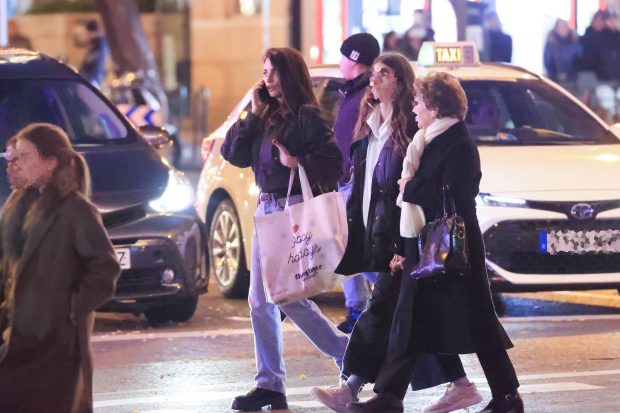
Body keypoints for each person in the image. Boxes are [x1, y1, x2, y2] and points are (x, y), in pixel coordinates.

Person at [348, 72, 522, 413]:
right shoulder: (425, 139)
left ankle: (507, 396)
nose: (413, 108)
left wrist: (408, 189)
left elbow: (458, 191)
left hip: (454, 250)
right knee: (413, 321)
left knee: (477, 324)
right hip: (425, 245)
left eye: (417, 102)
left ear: (435, 106)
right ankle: (389, 396)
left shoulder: (458, 142)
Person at [312, 52, 472, 413]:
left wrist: (404, 245)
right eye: (374, 74)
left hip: (403, 239)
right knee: (406, 316)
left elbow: (410, 194)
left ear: (400, 81)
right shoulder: (369, 122)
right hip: (379, 234)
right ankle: (457, 384)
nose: (374, 80)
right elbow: (364, 184)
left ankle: (359, 389)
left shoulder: (410, 131)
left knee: (384, 312)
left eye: (383, 74)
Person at [221, 47, 349, 412]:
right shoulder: (266, 115)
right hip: (267, 210)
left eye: (273, 72)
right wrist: (252, 112)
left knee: (284, 298)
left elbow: (333, 163)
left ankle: (345, 355)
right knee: (262, 301)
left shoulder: (306, 115)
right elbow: (233, 154)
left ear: (289, 75)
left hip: (291, 211)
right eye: (264, 72)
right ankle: (271, 385)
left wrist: (297, 162)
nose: (267, 79)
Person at [0, 123, 121, 412]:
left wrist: (68, 311)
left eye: (23, 156)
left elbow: (104, 269)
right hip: (17, 339)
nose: (13, 164)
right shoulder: (17, 208)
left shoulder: (74, 210)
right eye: (10, 157)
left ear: (50, 162)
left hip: (55, 346)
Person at [333, 32, 381, 333]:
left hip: (358, 182)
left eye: (343, 54)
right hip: (347, 180)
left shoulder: (366, 94)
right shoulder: (352, 92)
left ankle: (397, 293)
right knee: (346, 247)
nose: (339, 60)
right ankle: (357, 309)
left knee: (355, 250)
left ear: (354, 59)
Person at [544, 19, 582, 88]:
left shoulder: (574, 43)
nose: (562, 29)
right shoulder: (551, 44)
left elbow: (579, 58)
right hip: (554, 80)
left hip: (573, 79)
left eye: (564, 27)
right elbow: (548, 61)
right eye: (559, 27)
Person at [78, 20, 109, 87]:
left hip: (92, 80)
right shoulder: (98, 43)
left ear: (91, 32)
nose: (87, 35)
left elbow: (96, 62)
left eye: (87, 32)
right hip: (93, 79)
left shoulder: (100, 44)